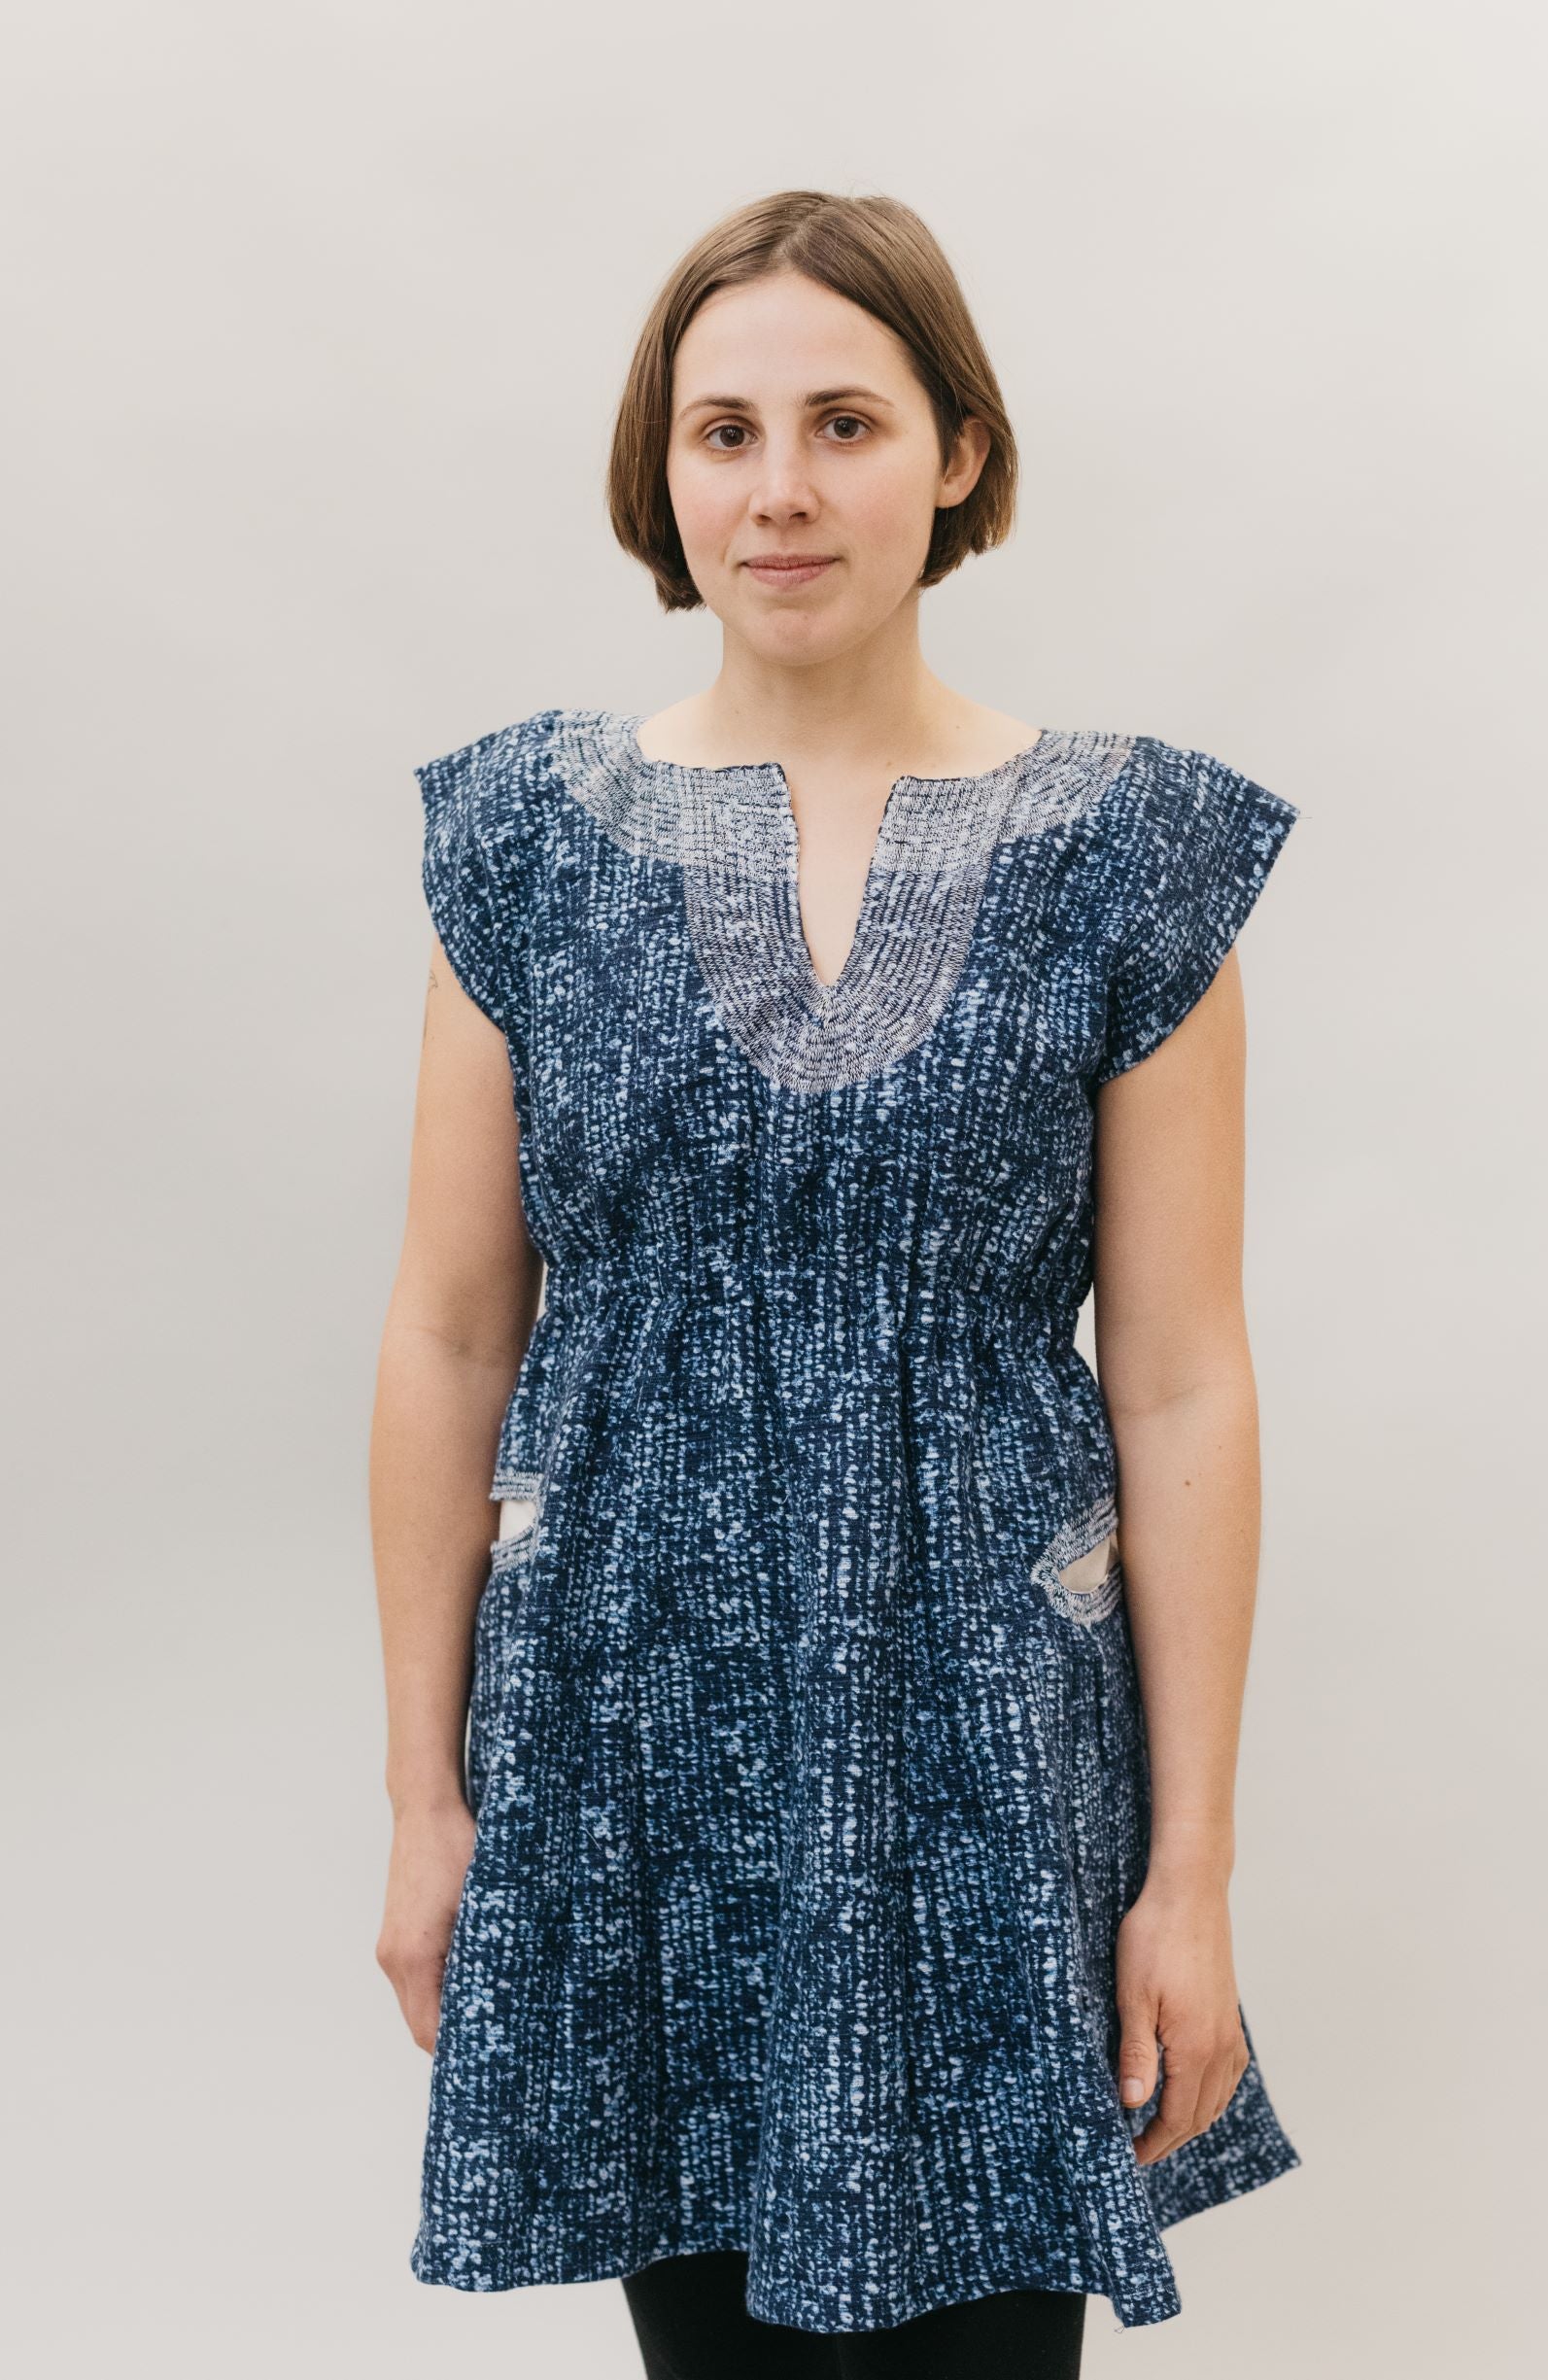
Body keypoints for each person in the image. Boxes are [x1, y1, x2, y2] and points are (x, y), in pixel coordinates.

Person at [370, 189, 1302, 2379]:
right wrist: (426, 1803)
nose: (777, 489)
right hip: (628, 1744)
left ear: (958, 453)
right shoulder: (526, 838)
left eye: (844, 422)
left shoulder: (1127, 855)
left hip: (986, 1749)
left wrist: (1190, 1872)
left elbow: (1178, 1380)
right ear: (661, 470)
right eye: (722, 432)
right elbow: (444, 1334)